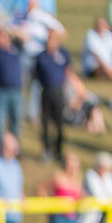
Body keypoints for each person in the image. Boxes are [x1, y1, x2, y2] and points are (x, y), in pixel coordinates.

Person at [35, 28, 71, 158]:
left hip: (59, 92)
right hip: (46, 91)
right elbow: (36, 74)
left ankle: (59, 150)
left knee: (60, 123)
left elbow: (68, 70)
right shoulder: (41, 56)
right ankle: (46, 150)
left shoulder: (63, 54)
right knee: (45, 123)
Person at [82, 16, 112, 82]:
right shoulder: (90, 35)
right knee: (104, 69)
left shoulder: (109, 35)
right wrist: (109, 69)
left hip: (110, 68)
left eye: (103, 24)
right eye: (99, 24)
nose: (101, 26)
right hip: (93, 68)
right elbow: (96, 56)